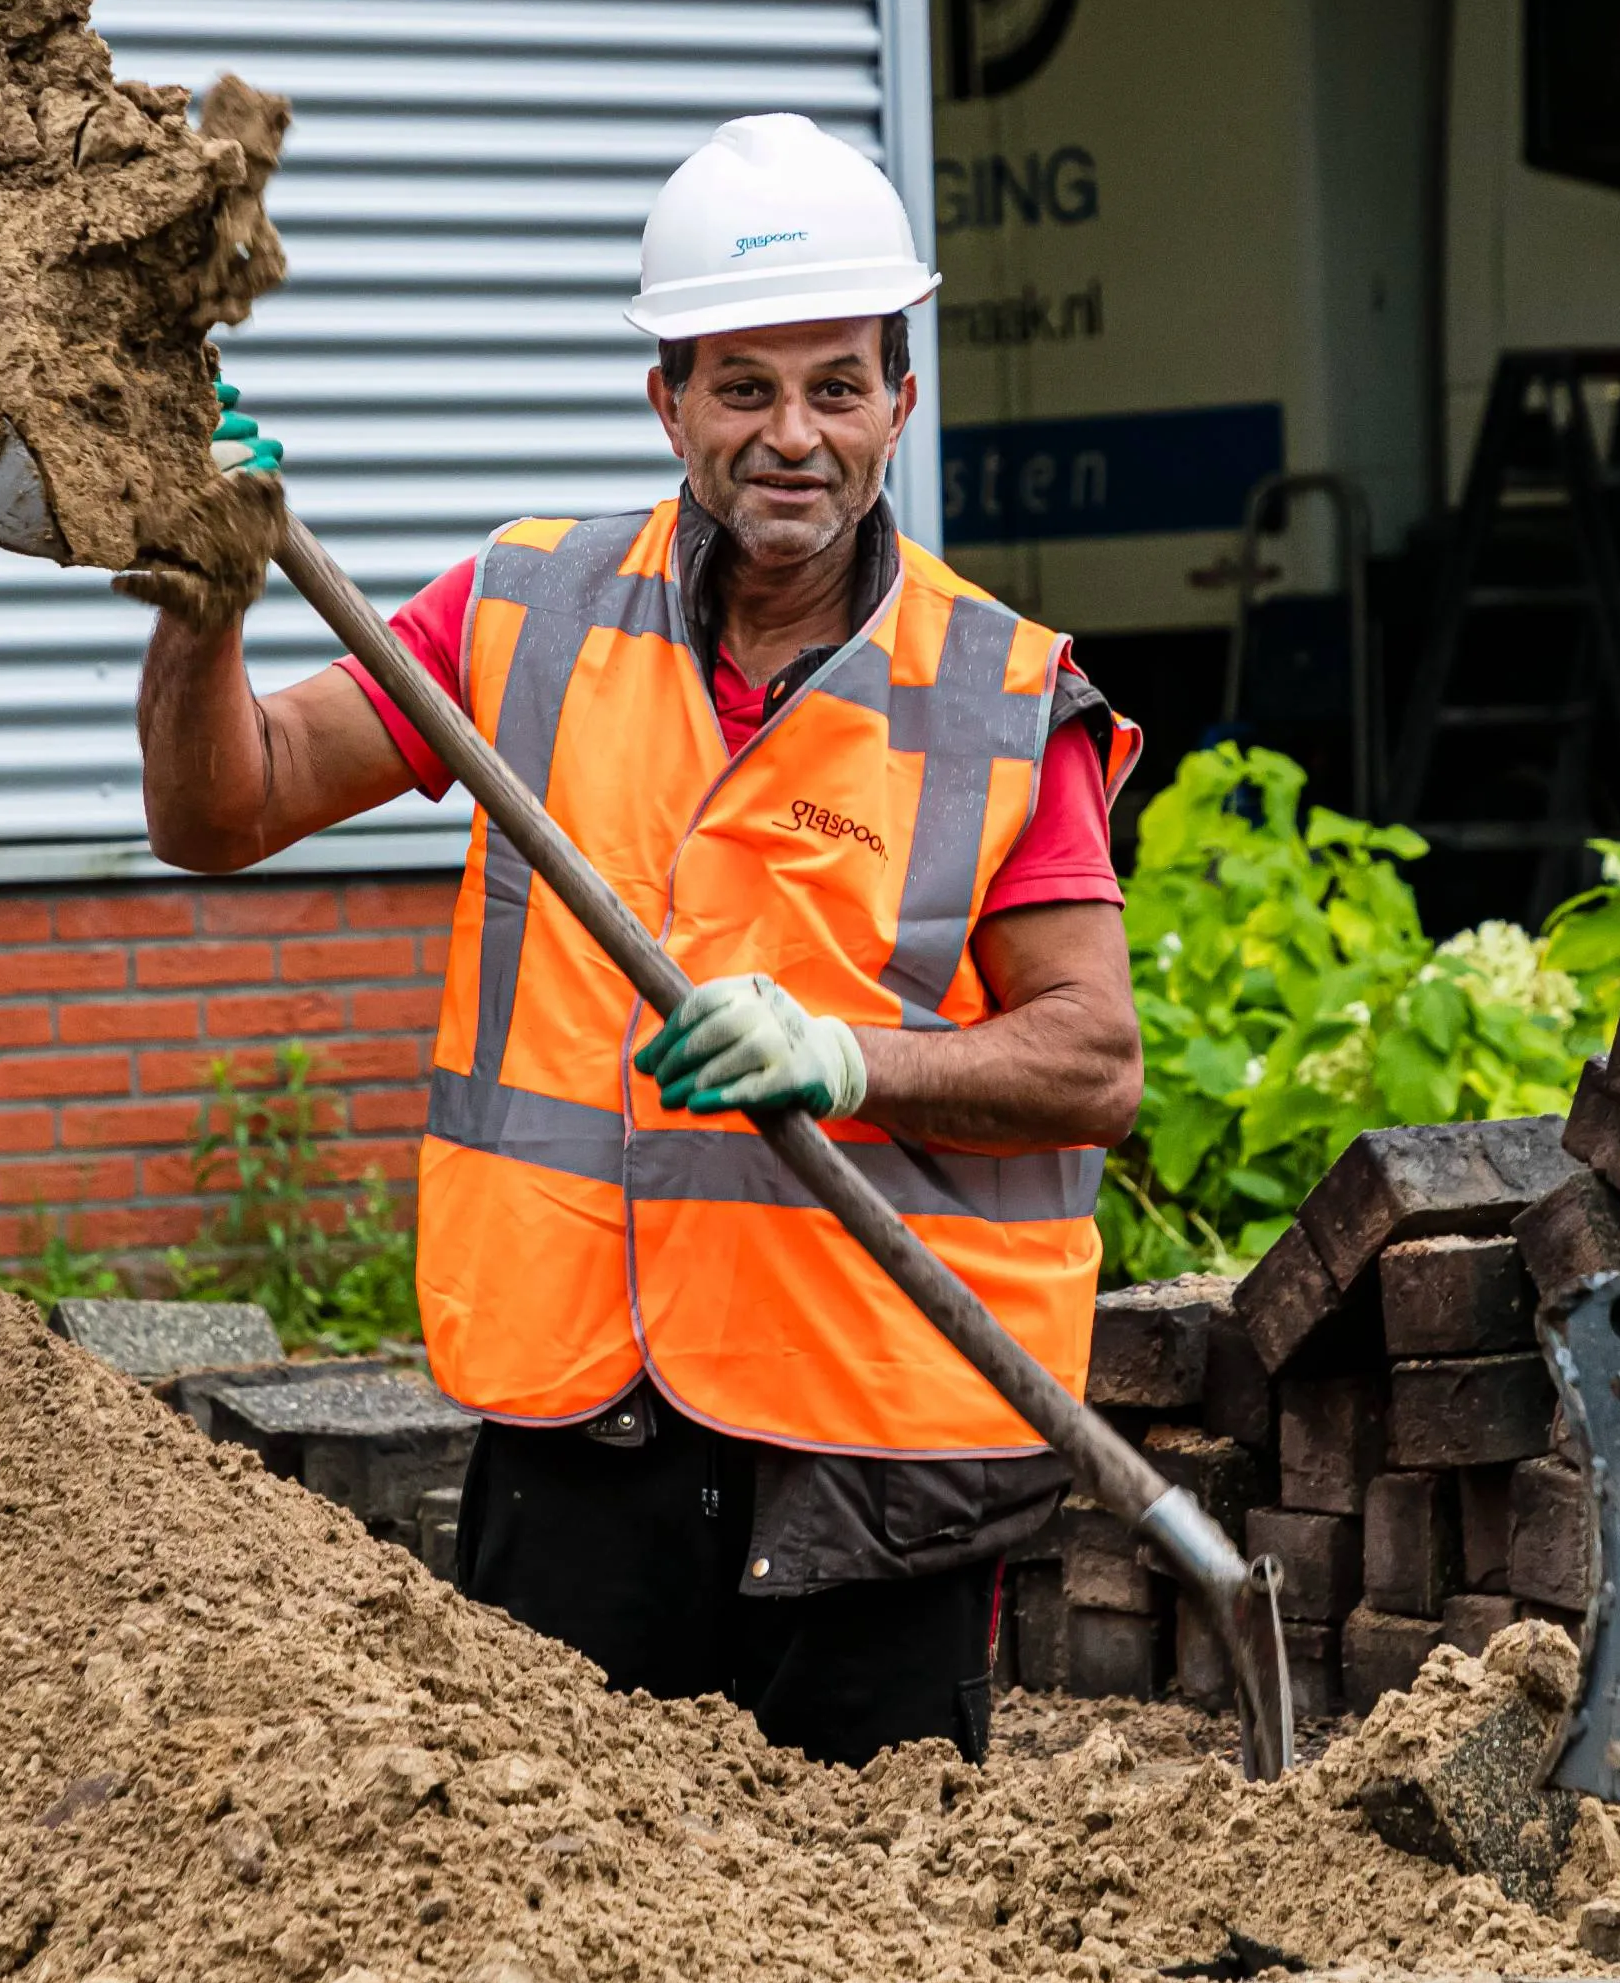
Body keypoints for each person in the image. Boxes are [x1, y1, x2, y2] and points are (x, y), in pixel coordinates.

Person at [128, 114, 1142, 1766]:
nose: (790, 434)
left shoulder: (998, 694)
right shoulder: (524, 614)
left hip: (873, 1470)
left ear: (901, 397)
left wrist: (844, 1057)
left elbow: (1092, 1061)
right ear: (667, 400)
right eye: (742, 387)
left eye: (833, 384)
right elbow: (222, 811)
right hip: (582, 1440)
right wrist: (205, 593)